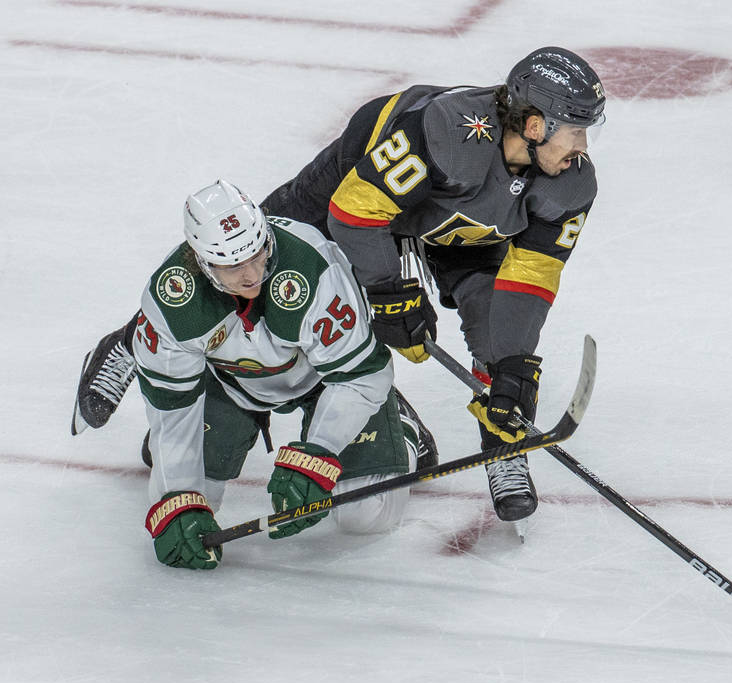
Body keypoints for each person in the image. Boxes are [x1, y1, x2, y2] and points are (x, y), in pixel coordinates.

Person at [71, 46, 606, 524]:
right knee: (252, 268)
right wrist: (387, 292)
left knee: (497, 336)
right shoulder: (449, 130)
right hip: (354, 191)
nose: (583, 147)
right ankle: (132, 340)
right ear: (533, 125)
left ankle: (502, 445)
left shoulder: (572, 183)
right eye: (577, 130)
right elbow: (356, 213)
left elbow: (532, 274)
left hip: (459, 231)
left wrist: (511, 364)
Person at [136, 180, 417, 569]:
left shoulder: (310, 265)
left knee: (368, 516)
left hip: (326, 379)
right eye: (233, 264)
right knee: (192, 505)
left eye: (257, 254)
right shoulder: (173, 301)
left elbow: (361, 375)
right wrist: (175, 496)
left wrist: (317, 453)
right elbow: (171, 406)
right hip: (231, 386)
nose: (252, 274)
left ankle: (402, 428)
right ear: (200, 260)